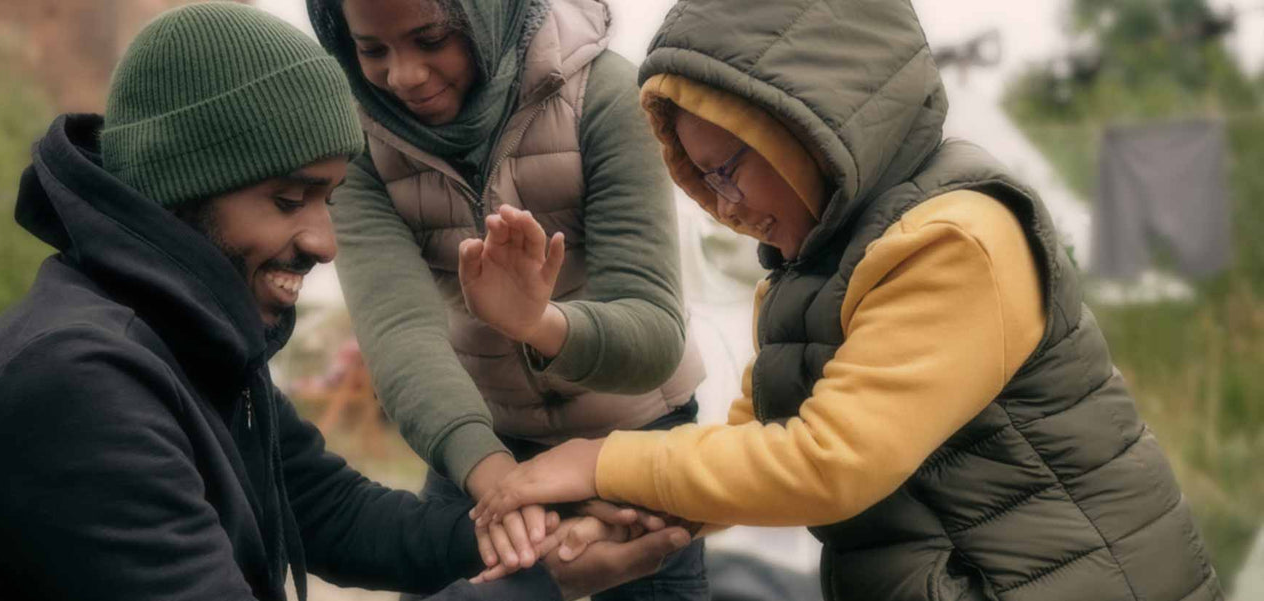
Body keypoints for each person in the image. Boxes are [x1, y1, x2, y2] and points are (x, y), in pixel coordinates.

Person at [0, 4, 691, 600]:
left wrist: (544, 530)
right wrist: (537, 585)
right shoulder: (79, 383)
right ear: (184, 191)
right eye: (289, 200)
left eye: (327, 199)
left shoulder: (183, 335)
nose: (325, 242)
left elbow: (334, 511)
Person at [470, 0, 1224, 599]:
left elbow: (827, 461)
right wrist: (631, 523)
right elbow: (757, 444)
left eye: (730, 168)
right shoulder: (815, 270)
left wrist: (599, 460)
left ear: (810, 125)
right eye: (702, 179)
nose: (724, 205)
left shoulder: (955, 241)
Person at [306, 0, 708, 596]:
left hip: (635, 439)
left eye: (431, 40)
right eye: (372, 50)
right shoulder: (356, 141)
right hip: (483, 444)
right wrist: (499, 482)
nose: (404, 75)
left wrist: (536, 323)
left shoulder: (604, 96)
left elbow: (652, 333)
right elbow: (399, 334)